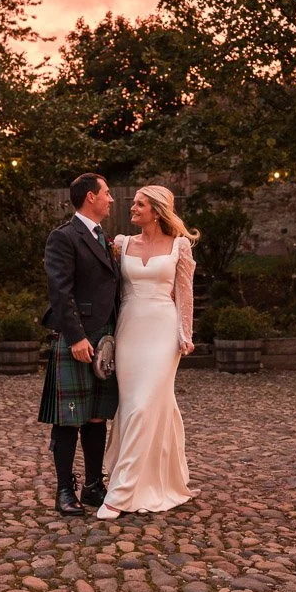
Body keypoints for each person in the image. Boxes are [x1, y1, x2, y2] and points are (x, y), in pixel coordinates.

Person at [97, 184, 198, 520]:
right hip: (130, 330)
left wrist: (186, 333)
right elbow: (108, 287)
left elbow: (184, 294)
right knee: (136, 406)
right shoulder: (121, 244)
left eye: (139, 204)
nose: (132, 208)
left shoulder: (179, 246)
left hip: (162, 332)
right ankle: (164, 476)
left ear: (156, 211)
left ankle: (119, 493)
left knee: (144, 406)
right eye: (133, 203)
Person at [38, 173, 120, 516]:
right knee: (69, 418)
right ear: (90, 197)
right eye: (107, 192)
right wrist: (76, 338)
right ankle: (64, 490)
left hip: (105, 338)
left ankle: (92, 485)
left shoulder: (103, 237)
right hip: (80, 337)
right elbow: (60, 291)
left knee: (98, 417)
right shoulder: (64, 237)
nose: (111, 199)